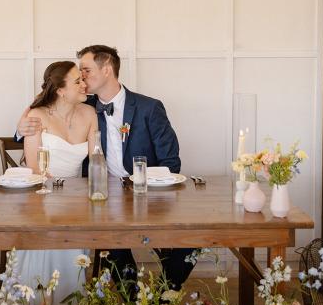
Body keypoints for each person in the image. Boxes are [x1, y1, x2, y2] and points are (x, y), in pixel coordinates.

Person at [17, 45, 196, 291]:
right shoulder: (84, 104)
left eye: (86, 71)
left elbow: (171, 162)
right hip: (100, 196)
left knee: (193, 238)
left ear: (107, 70)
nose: (82, 79)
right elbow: (48, 109)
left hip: (145, 194)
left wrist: (150, 193)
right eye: (79, 75)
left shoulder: (149, 108)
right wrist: (21, 128)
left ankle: (165, 294)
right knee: (111, 237)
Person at [17, 60, 97, 305]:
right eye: (77, 81)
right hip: (42, 198)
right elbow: (34, 169)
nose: (84, 83)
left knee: (77, 226)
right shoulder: (37, 116)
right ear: (61, 90)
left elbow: (97, 159)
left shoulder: (89, 114)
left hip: (77, 201)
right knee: (50, 228)